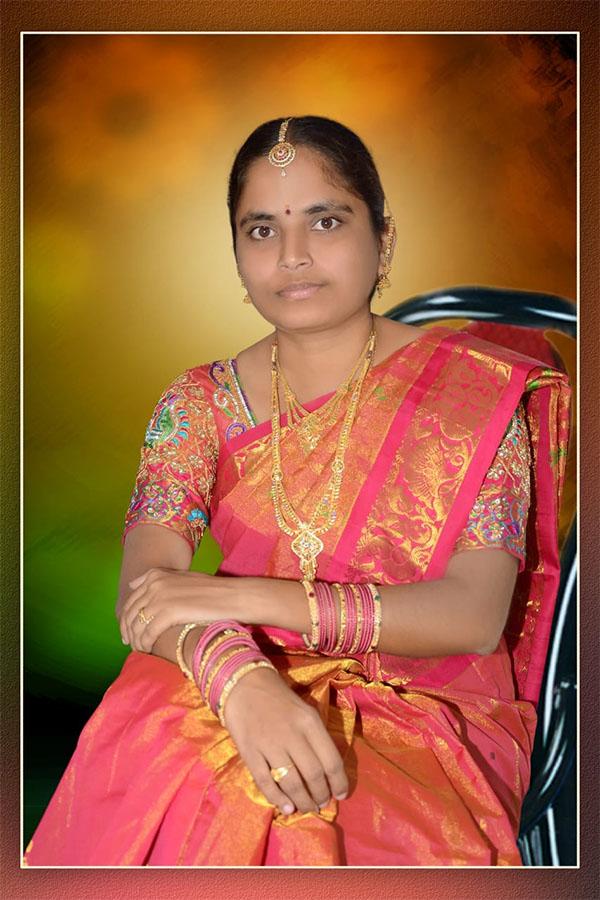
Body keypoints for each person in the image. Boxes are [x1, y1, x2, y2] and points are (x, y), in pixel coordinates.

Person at [24, 115, 571, 867]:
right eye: (261, 230)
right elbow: (144, 594)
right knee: (163, 749)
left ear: (384, 241)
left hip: (427, 710)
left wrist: (245, 598)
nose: (292, 255)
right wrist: (239, 679)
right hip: (232, 668)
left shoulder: (475, 395)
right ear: (236, 256)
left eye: (326, 220)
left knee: (290, 812)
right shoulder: (199, 404)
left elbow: (473, 618)